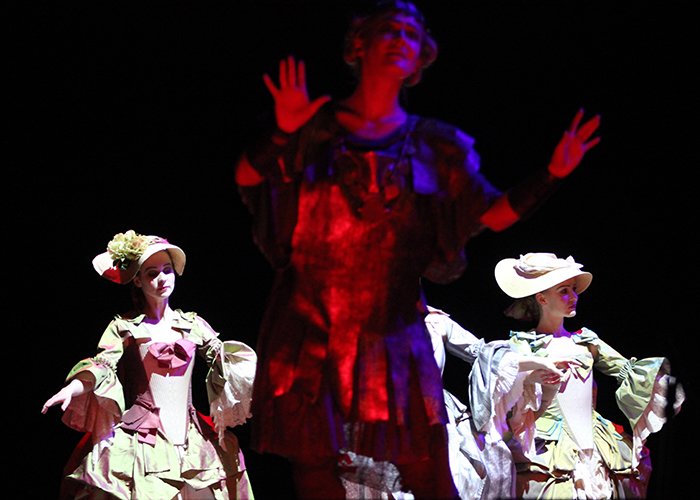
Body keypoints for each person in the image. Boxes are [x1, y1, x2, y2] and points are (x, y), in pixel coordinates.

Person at [235, 2, 599, 498]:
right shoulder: (316, 127)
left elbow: (489, 213)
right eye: (389, 29)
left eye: (411, 32)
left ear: (420, 56)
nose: (401, 39)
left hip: (391, 325)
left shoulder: (435, 145)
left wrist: (552, 174)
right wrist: (283, 130)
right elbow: (249, 179)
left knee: (427, 469)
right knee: (316, 470)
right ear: (359, 43)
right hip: (313, 320)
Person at [42, 230, 257, 499]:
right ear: (138, 282)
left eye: (167, 270)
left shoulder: (192, 324)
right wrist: (72, 387)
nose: (162, 278)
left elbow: (229, 363)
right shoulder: (124, 327)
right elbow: (101, 365)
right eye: (152, 273)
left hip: (190, 440)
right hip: (142, 439)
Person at [494, 252, 684, 498]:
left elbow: (629, 370)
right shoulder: (523, 345)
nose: (573, 297)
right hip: (549, 448)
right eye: (564, 291)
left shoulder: (586, 341)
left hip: (597, 445)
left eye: (573, 289)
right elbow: (505, 377)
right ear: (541, 298)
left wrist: (665, 388)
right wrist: (538, 367)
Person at [340, 307, 580, 500]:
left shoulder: (434, 321)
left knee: (492, 464)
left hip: (439, 418)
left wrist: (535, 364)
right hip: (384, 418)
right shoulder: (359, 320)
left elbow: (482, 352)